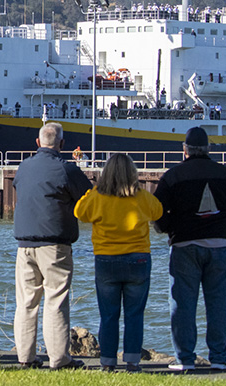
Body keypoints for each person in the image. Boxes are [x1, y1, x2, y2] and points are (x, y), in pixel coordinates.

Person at [154, 127, 226, 371]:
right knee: (219, 303)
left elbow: (157, 211)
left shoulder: (172, 176)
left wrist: (170, 229)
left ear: (184, 150)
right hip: (219, 244)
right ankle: (219, 358)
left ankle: (185, 359)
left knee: (182, 304)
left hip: (184, 244)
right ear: (208, 149)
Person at [11, 122, 91, 370]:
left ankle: (25, 357)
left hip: (24, 246)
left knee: (26, 302)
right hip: (55, 246)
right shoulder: (66, 170)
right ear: (62, 144)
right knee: (55, 301)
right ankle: (59, 359)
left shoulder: (23, 167)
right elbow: (89, 197)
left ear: (37, 143)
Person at [74, 154, 162, 372]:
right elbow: (158, 211)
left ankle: (108, 362)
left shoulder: (98, 196)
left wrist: (90, 191)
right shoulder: (141, 197)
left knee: (109, 315)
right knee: (134, 314)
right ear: (133, 174)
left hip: (106, 259)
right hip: (138, 259)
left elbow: (79, 212)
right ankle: (132, 361)